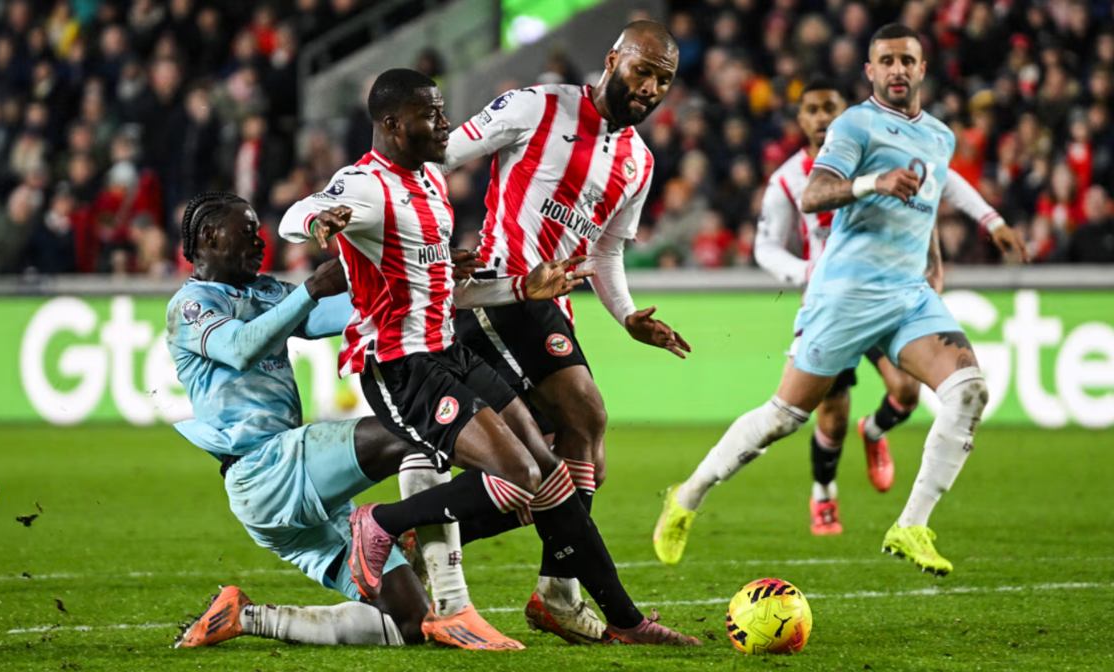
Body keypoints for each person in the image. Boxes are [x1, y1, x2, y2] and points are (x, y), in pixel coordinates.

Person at [278, 68, 700, 647]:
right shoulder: (365, 185)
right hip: (402, 367)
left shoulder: (430, 184)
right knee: (525, 473)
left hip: (449, 348)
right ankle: (380, 523)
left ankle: (623, 619)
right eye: (434, 115)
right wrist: (317, 221)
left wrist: (525, 287)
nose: (448, 126)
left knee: (550, 477)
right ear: (395, 126)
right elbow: (298, 213)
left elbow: (445, 290)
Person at [654, 25, 1028, 576]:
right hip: (845, 292)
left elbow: (931, 193)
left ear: (922, 69)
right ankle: (687, 495)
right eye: (887, 61)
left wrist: (967, 240)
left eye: (907, 60)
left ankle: (911, 525)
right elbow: (815, 193)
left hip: (907, 293)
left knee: (969, 391)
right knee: (784, 418)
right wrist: (873, 182)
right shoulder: (855, 124)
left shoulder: (940, 137)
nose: (898, 69)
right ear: (871, 72)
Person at [168, 191, 591, 651]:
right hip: (262, 468)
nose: (260, 239)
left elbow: (359, 310)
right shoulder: (190, 305)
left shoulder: (267, 291)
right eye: (246, 230)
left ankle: (246, 616)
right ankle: (454, 606)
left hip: (303, 489)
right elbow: (239, 347)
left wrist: (434, 282)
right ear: (209, 236)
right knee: (419, 437)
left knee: (408, 624)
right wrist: (310, 289)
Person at [406, 20, 689, 644]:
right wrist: (422, 242)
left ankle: (416, 532)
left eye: (663, 79)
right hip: (497, 294)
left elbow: (606, 253)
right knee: (583, 420)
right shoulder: (538, 106)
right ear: (613, 59)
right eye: (642, 70)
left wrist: (628, 315)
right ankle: (572, 600)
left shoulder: (638, 162)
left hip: (549, 308)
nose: (649, 87)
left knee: (563, 461)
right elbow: (437, 153)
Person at [750, 78, 1030, 535]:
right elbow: (765, 249)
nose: (822, 118)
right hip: (831, 302)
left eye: (830, 108)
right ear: (801, 120)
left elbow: (942, 181)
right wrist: (809, 272)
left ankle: (875, 431)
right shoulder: (788, 179)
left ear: (847, 115)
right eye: (813, 110)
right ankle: (824, 495)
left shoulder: (876, 148)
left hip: (886, 290)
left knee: (906, 391)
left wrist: (983, 223)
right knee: (831, 414)